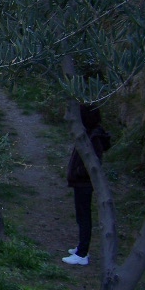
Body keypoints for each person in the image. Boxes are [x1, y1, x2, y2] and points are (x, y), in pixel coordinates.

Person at [62, 104, 111, 266]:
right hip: (81, 182)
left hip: (84, 183)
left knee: (84, 217)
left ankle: (82, 253)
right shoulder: (90, 133)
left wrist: (77, 172)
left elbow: (93, 162)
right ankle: (81, 248)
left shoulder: (94, 136)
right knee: (81, 216)